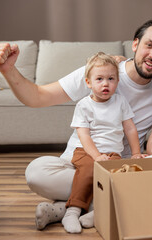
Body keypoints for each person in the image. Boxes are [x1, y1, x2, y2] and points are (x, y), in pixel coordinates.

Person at [0, 19, 152, 230]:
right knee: (36, 172)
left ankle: (65, 208)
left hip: (118, 168)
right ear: (135, 45)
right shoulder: (103, 71)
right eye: (149, 45)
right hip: (75, 164)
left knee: (149, 180)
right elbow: (37, 97)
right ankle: (99, 205)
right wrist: (8, 70)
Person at [62, 52, 146, 233]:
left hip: (112, 153)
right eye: (99, 79)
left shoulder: (120, 101)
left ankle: (97, 212)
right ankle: (73, 210)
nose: (105, 84)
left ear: (117, 81)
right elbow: (84, 136)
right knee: (88, 171)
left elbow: (130, 128)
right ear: (88, 82)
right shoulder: (84, 105)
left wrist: (135, 153)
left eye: (111, 79)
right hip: (86, 151)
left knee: (119, 178)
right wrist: (96, 156)